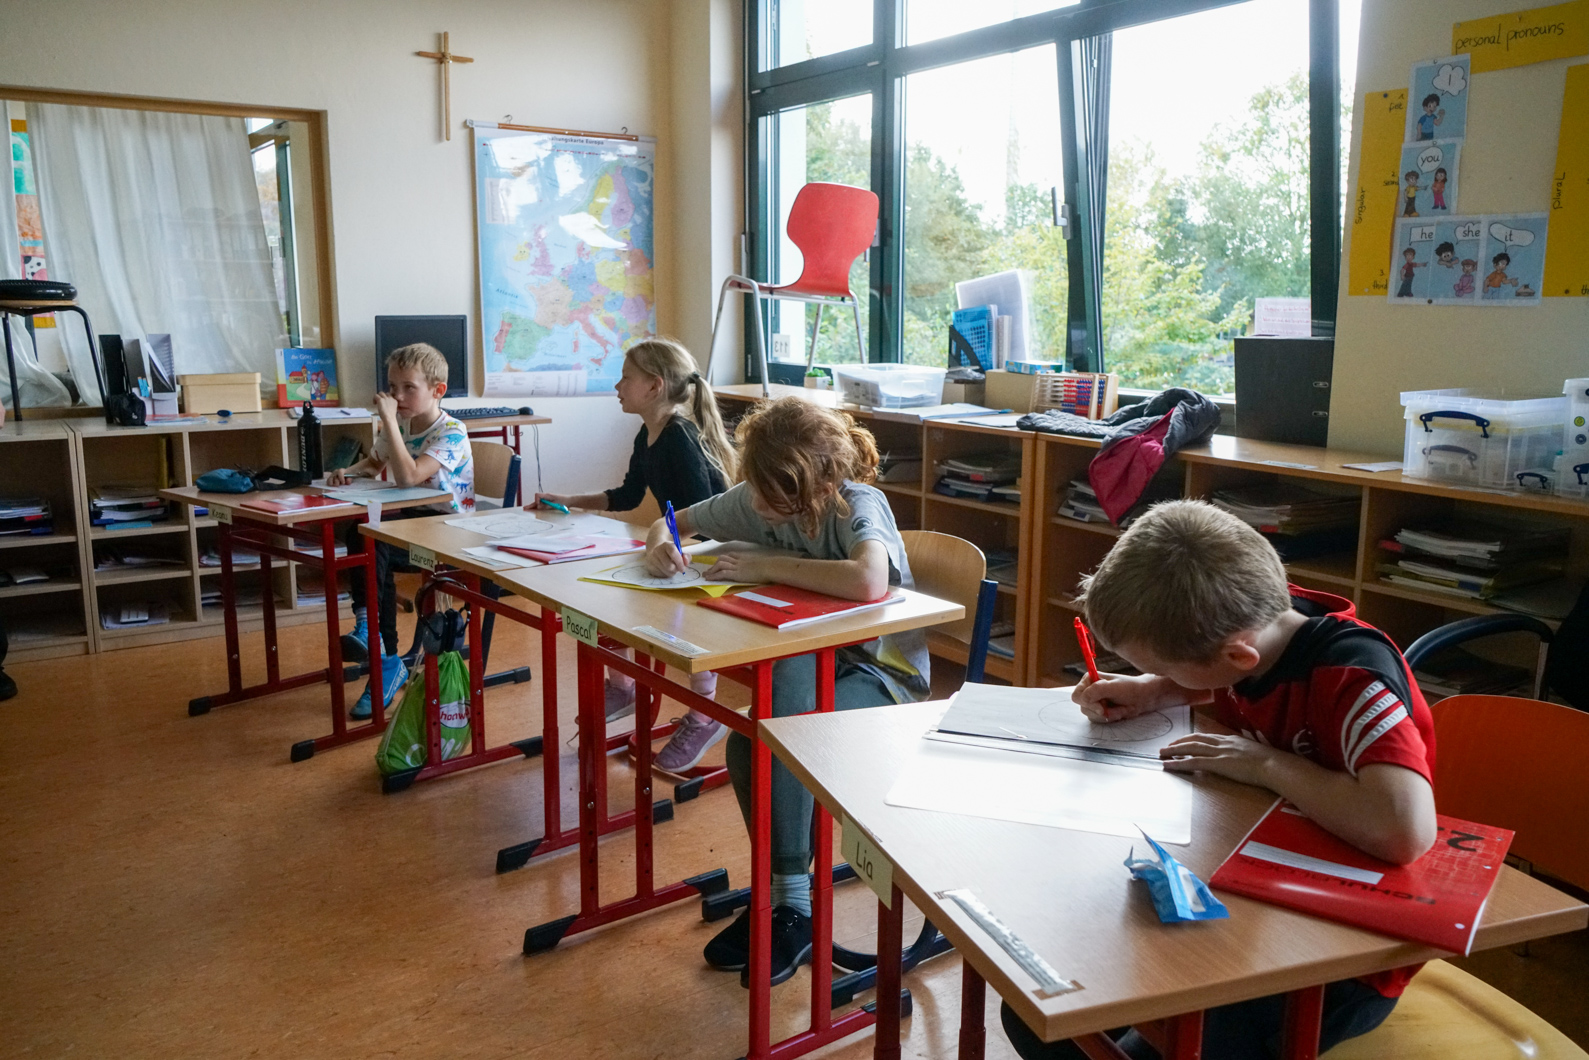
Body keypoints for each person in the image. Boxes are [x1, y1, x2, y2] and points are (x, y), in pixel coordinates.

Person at [1001, 500, 1436, 1060]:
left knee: (1149, 1043)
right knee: (1037, 1007)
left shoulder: (1353, 675)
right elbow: (1223, 677)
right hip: (1243, 897)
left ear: (1238, 653)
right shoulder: (1257, 622)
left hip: (1342, 958)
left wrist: (1265, 764)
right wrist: (1153, 690)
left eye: (1166, 667)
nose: (1164, 678)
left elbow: (1404, 831)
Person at [641, 397, 929, 987]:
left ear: (812, 481)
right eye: (755, 489)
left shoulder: (855, 503)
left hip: (881, 678)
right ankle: (784, 899)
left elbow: (869, 579)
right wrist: (659, 543)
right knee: (748, 744)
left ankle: (790, 906)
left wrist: (767, 565)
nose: (757, 507)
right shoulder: (759, 496)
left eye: (770, 493)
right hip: (812, 669)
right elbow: (672, 520)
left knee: (788, 741)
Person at [535, 337, 737, 770]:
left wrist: (665, 551)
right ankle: (624, 687)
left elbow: (701, 515)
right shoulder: (649, 432)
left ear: (654, 386)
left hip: (712, 551)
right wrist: (569, 500)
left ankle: (706, 716)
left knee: (684, 621)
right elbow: (628, 495)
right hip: (681, 546)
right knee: (604, 590)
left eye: (626, 377)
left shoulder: (679, 437)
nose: (617, 386)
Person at [328, 342, 475, 719]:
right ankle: (379, 645)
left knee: (372, 538)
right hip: (410, 523)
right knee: (364, 533)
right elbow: (374, 462)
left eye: (409, 387)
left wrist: (389, 421)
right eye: (393, 387)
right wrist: (349, 472)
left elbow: (409, 476)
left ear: (438, 390)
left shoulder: (452, 432)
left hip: (448, 533)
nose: (397, 396)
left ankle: (379, 648)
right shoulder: (402, 425)